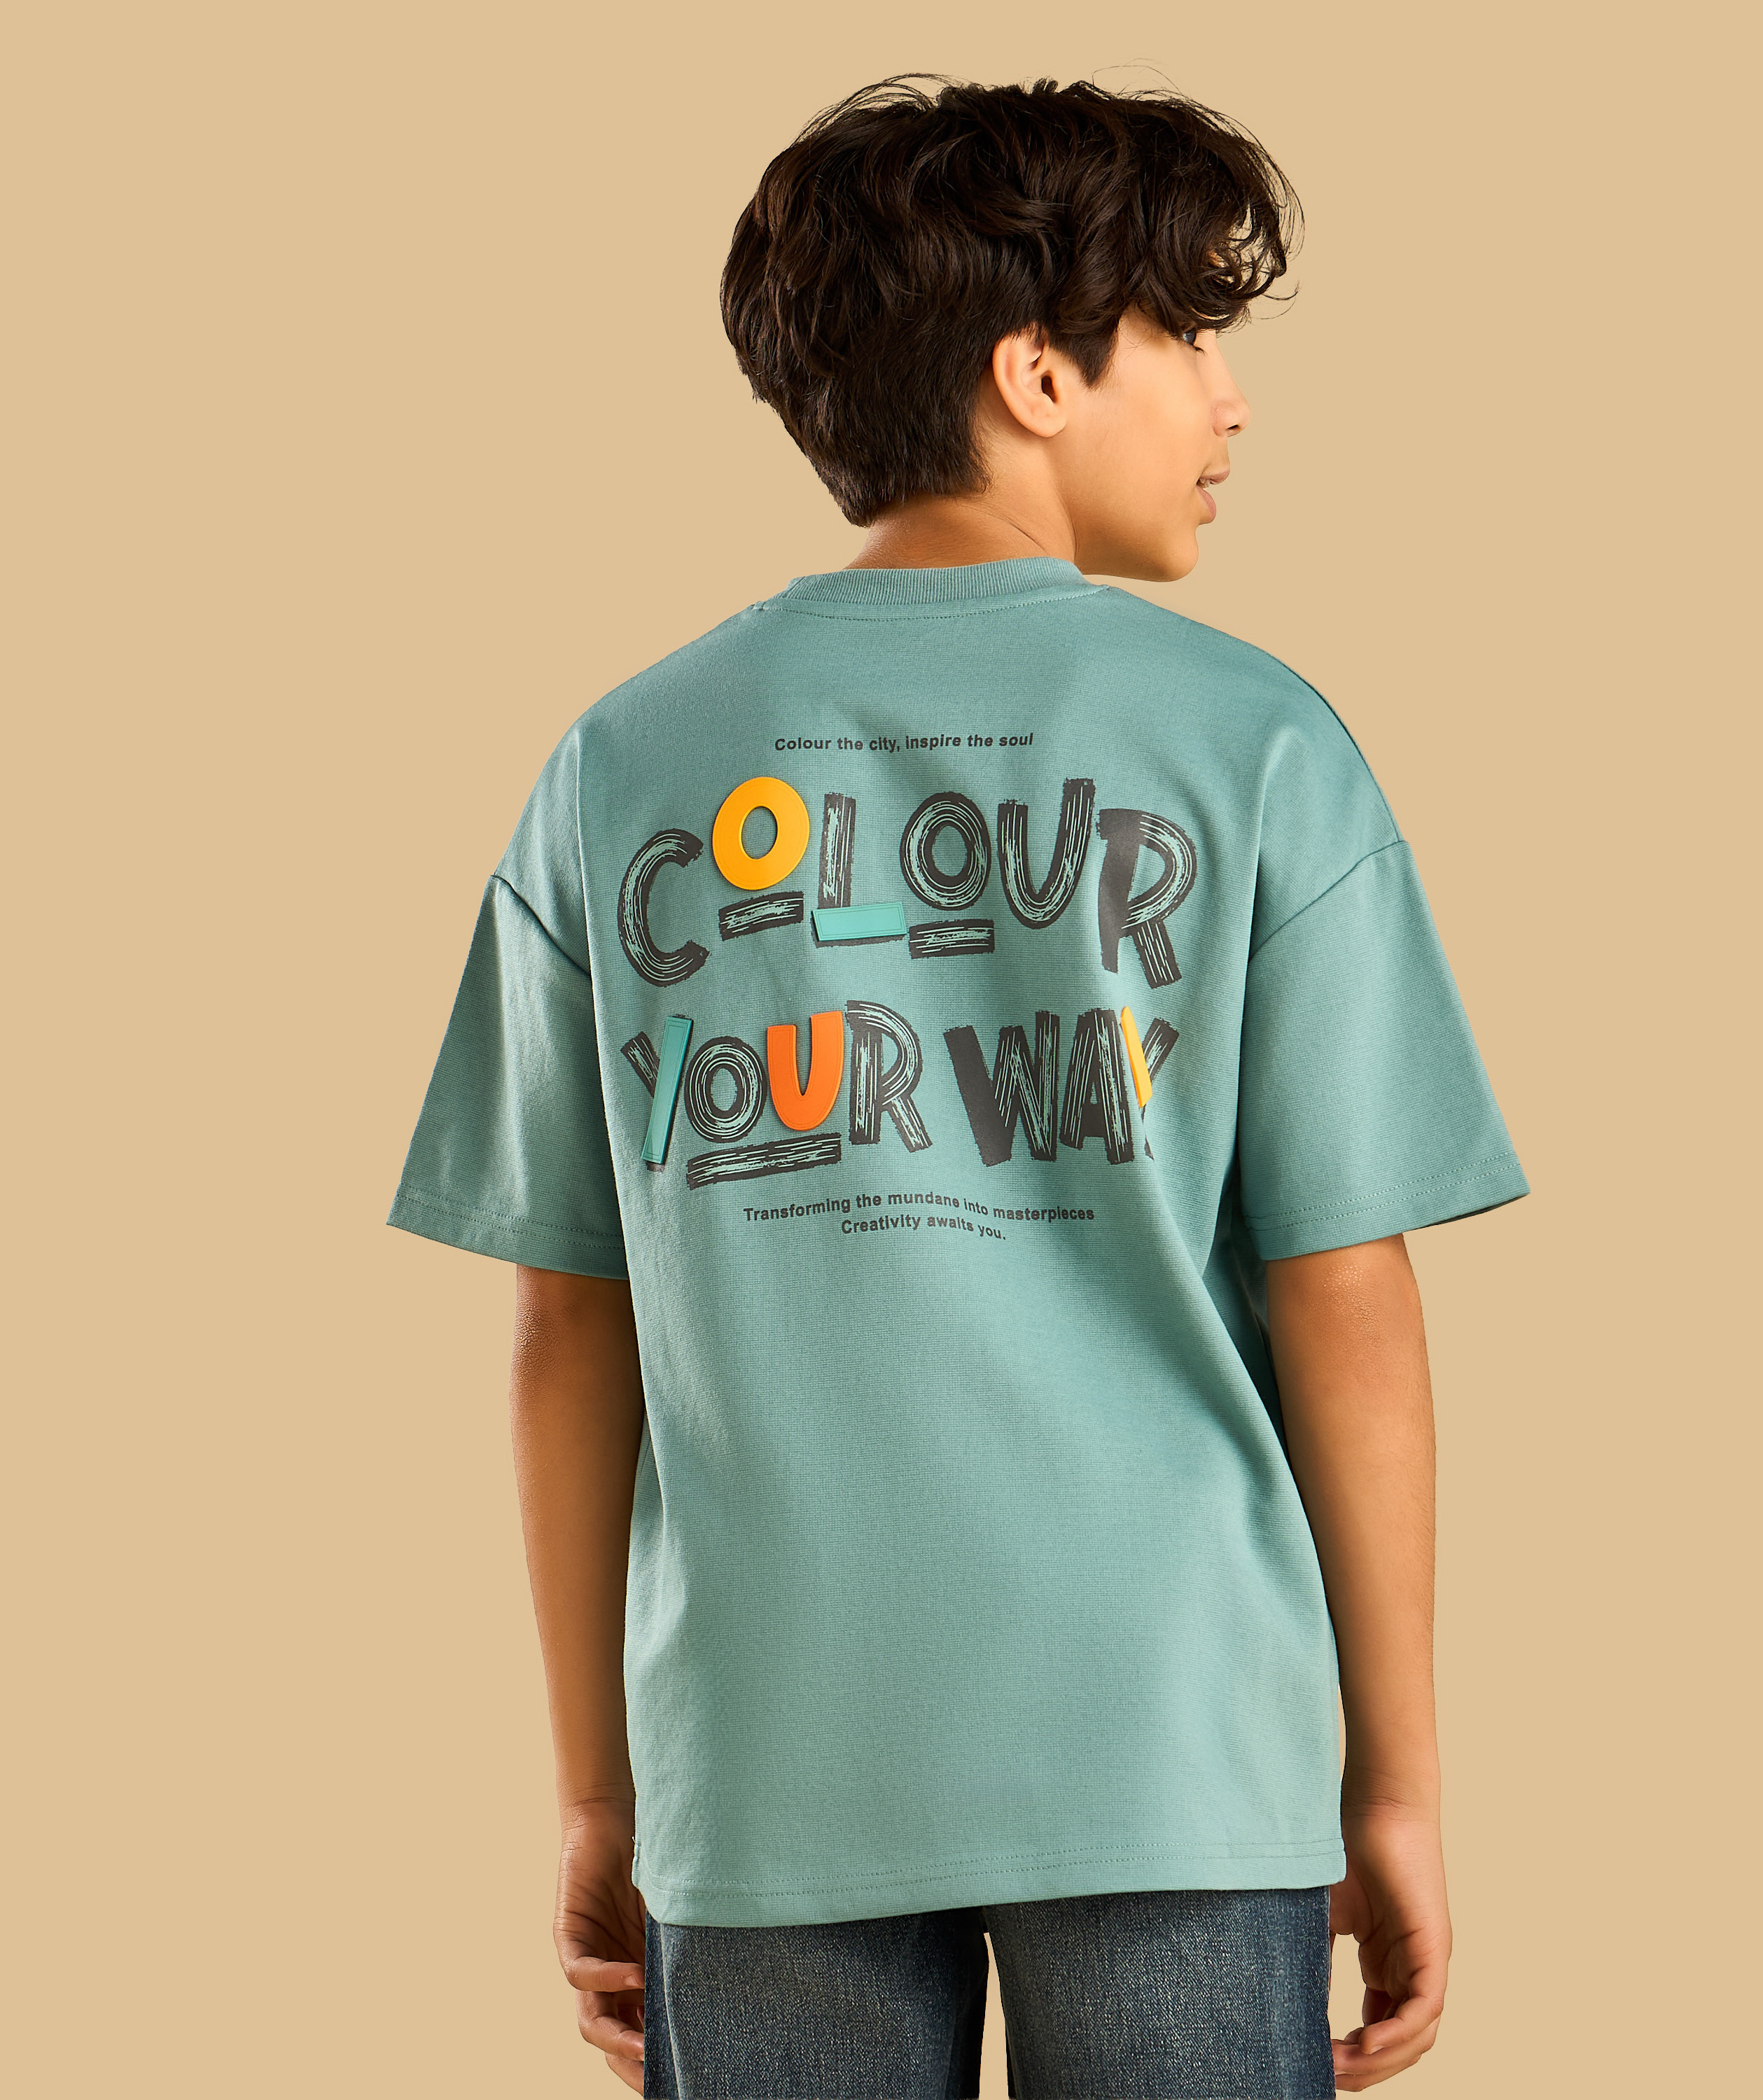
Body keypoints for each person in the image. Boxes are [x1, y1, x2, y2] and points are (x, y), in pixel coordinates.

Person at [388, 75, 1526, 2099]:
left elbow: (571, 1320)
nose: (1231, 400)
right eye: (1187, 333)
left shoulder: (621, 766)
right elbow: (1345, 1288)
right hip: (1176, 1745)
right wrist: (1397, 1782)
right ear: (1038, 375)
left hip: (765, 1751)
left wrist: (601, 1791)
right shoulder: (1259, 745)